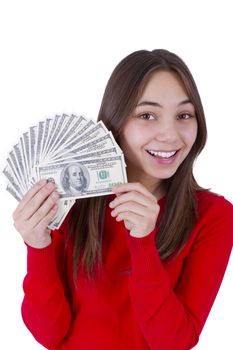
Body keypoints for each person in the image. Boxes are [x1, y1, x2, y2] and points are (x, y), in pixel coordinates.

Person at [13, 49, 233, 350]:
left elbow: (175, 343)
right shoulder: (71, 200)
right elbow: (49, 334)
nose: (170, 134)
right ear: (116, 122)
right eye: (147, 115)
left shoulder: (214, 215)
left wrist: (143, 241)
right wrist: (37, 247)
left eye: (184, 115)